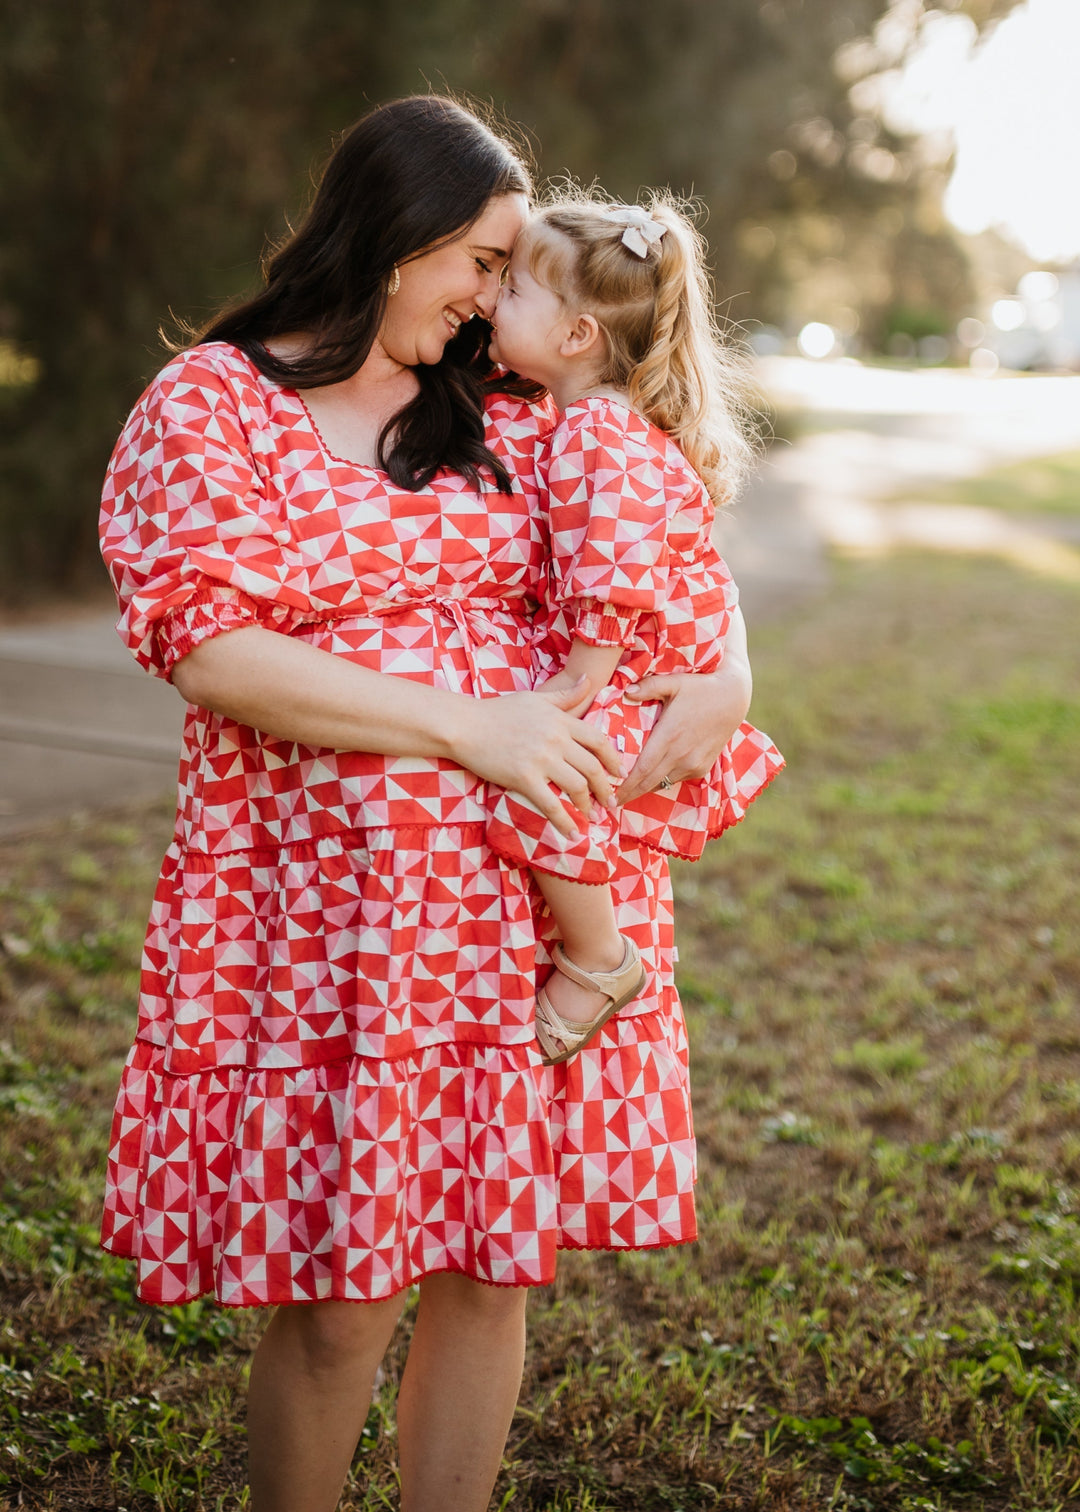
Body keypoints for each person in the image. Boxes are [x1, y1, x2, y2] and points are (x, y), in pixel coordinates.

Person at [98, 96, 757, 1512]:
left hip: (528, 907)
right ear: (395, 239)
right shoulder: (213, 404)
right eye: (480, 259)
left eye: (507, 271)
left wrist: (734, 666)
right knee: (342, 1292)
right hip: (333, 912)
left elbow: (656, 512)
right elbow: (207, 645)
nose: (487, 298)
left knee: (486, 1264)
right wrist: (473, 729)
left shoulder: (502, 395)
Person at [485, 195, 783, 1064]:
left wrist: (580, 677)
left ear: (577, 336)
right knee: (562, 798)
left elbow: (614, 564)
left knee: (543, 792)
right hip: (653, 652)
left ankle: (600, 957)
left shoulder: (595, 430)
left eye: (513, 288)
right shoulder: (604, 421)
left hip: (636, 660)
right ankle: (597, 948)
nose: (494, 297)